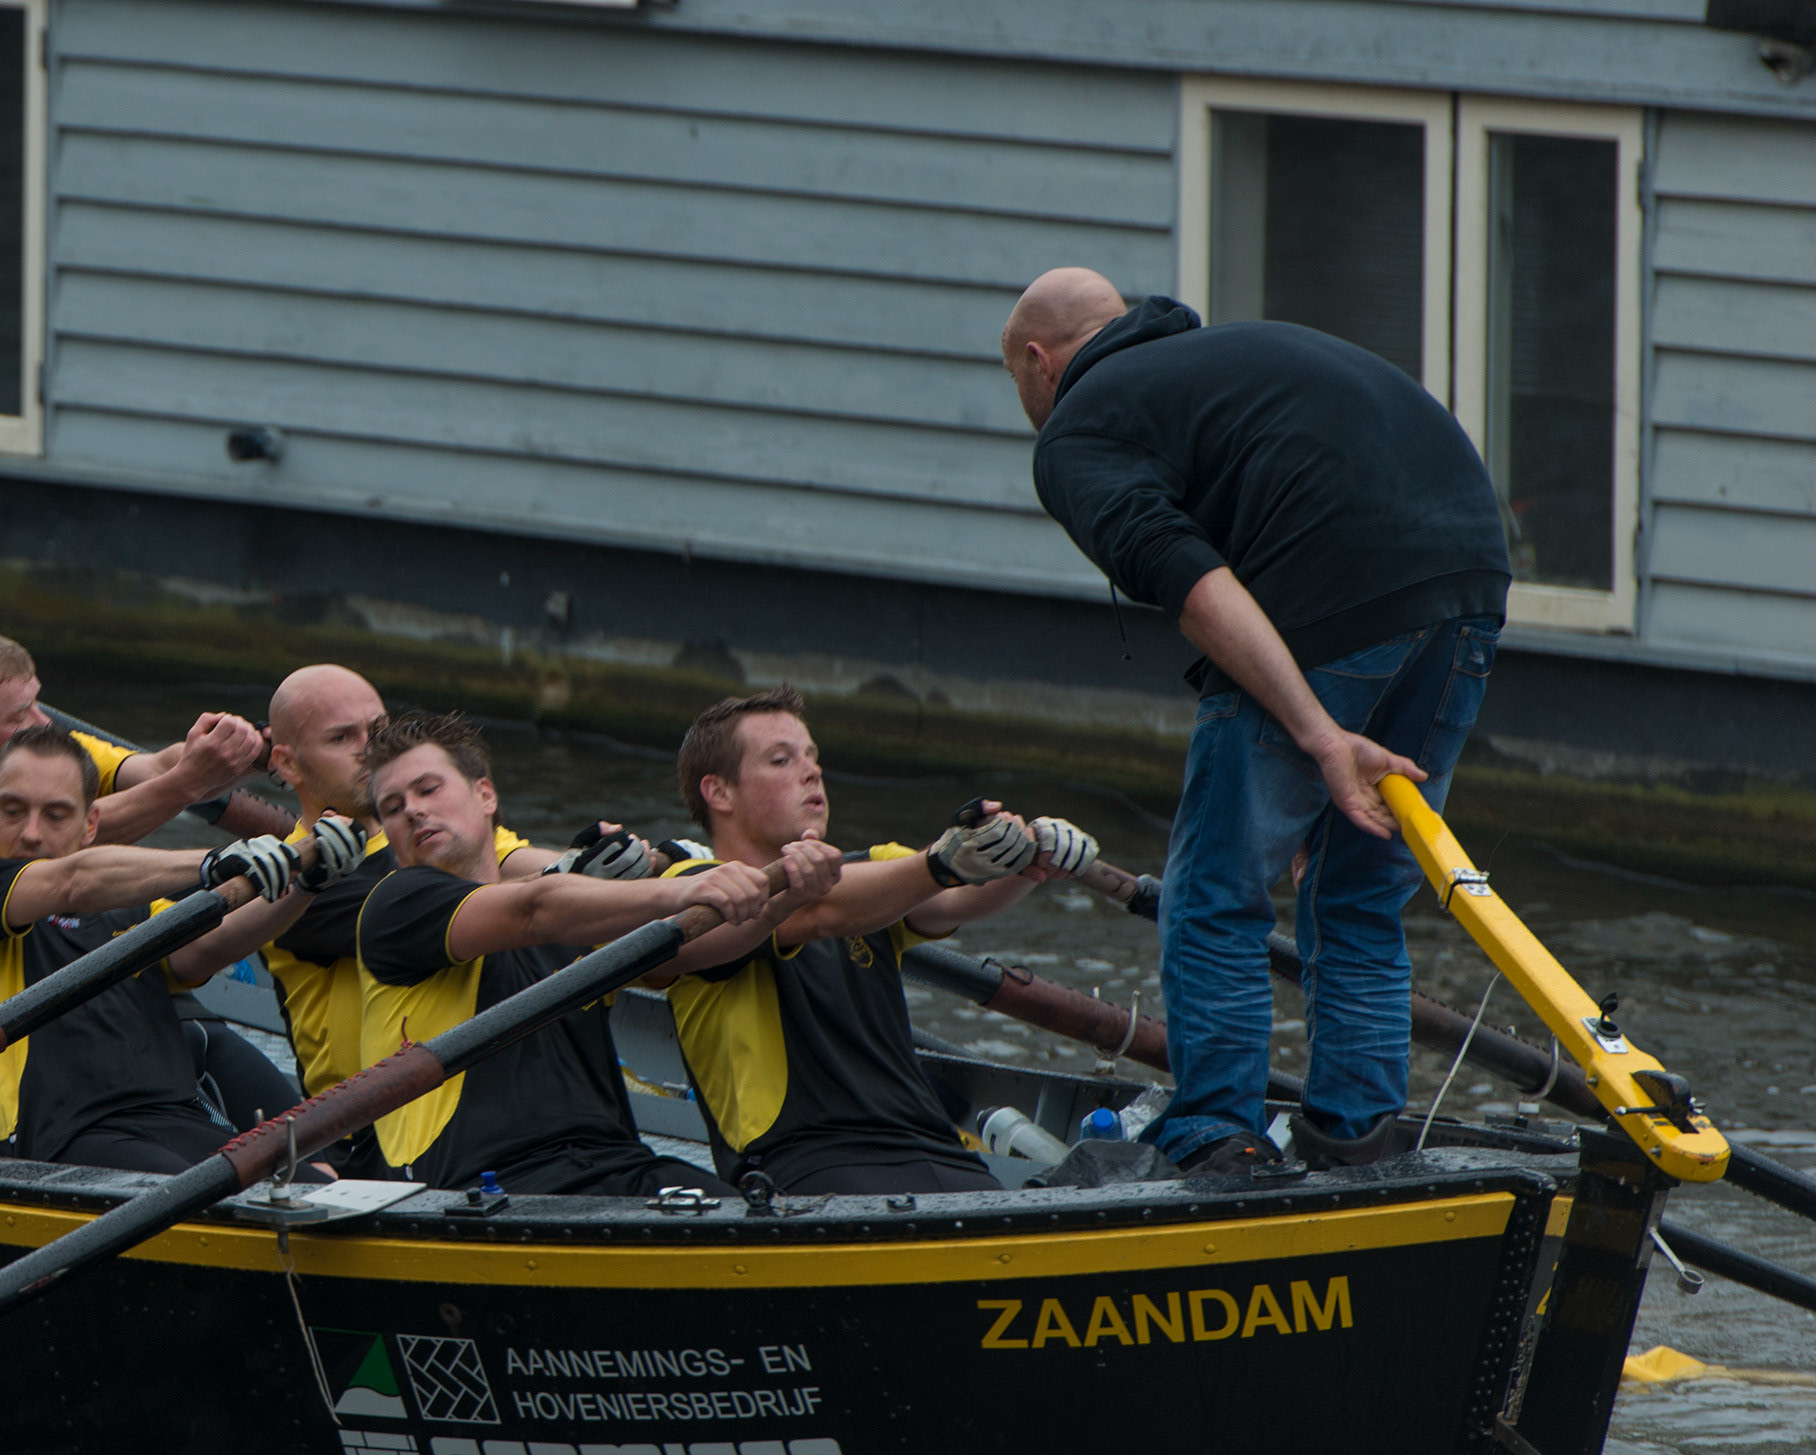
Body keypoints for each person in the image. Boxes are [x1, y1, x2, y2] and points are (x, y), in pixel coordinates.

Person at [1002, 267, 1511, 1175]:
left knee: (1213, 892)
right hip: (1472, 578)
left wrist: (1318, 735)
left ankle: (1217, 1137)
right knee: (1357, 893)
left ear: (1039, 362)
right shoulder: (1229, 361)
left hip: (1329, 595)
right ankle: (1356, 1142)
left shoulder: (1078, 428)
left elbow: (1193, 582)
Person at [649, 690, 1096, 1195]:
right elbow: (820, 910)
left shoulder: (874, 871)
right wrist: (943, 862)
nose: (812, 771)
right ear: (719, 792)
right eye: (781, 760)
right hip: (803, 1163)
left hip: (933, 1148)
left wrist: (1025, 859)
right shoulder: (694, 890)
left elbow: (957, 896)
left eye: (813, 756)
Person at [350, 711, 795, 1197]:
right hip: (475, 1188)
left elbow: (696, 949)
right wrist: (680, 890)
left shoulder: (575, 914)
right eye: (392, 807)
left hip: (614, 1166)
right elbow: (532, 910)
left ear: (485, 795)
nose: (413, 811)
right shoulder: (394, 906)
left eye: (428, 789)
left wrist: (783, 900)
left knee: (757, 1213)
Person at [0, 726, 362, 1171]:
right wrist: (215, 862)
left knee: (320, 1191)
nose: (31, 833)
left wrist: (307, 885)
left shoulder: (129, 905)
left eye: (55, 815)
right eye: (14, 811)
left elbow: (213, 945)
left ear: (90, 824)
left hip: (180, 1118)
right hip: (71, 1137)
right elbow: (73, 880)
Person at [255, 665, 548, 1104]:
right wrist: (568, 885)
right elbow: (488, 903)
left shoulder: (430, 829)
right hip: (363, 1127)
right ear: (287, 763)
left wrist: (600, 865)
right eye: (342, 738)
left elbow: (522, 861)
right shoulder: (295, 883)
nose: (369, 751)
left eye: (378, 730)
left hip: (471, 1093)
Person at [0, 632, 275, 904]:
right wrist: (187, 783)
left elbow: (156, 770)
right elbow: (63, 838)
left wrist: (253, 748)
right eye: (21, 715)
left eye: (37, 703)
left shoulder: (40, 749)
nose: (45, 723)